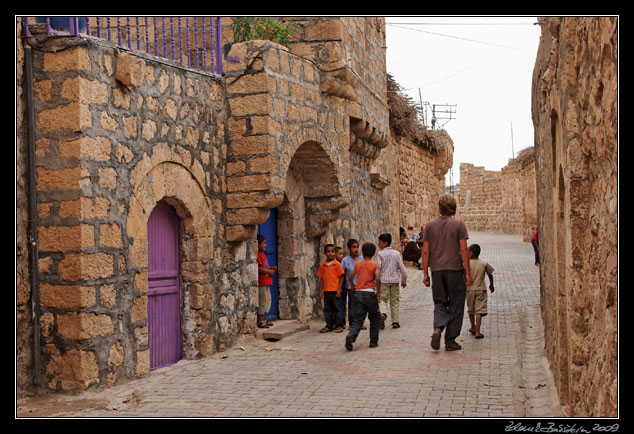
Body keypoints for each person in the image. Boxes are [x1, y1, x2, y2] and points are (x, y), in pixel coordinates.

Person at [421, 195, 472, 351]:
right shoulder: (459, 225)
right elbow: (464, 249)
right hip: (455, 270)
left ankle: (438, 327)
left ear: (440, 208)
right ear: (454, 208)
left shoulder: (429, 226)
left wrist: (425, 274)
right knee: (456, 304)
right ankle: (450, 340)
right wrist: (468, 273)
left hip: (437, 271)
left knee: (440, 302)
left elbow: (425, 250)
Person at [345, 242, 381, 351]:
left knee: (358, 319)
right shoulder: (375, 264)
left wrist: (353, 287)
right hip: (370, 293)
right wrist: (378, 292)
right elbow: (378, 278)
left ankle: (351, 336)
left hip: (358, 293)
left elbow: (350, 277)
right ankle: (373, 341)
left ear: (363, 252)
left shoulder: (358, 264)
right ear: (374, 253)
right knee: (375, 318)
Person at [377, 233, 407, 329]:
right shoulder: (396, 253)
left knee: (382, 299)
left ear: (385, 243)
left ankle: (382, 313)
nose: (379, 244)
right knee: (395, 301)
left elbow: (378, 268)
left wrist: (375, 282)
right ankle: (395, 322)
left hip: (383, 281)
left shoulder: (380, 254)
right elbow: (402, 268)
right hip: (394, 281)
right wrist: (403, 280)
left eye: (380, 242)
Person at [466, 244, 494, 339]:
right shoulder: (484, 263)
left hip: (469, 290)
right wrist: (491, 285)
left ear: (472, 253)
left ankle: (472, 327)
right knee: (479, 311)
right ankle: (478, 332)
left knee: (471, 310)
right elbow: (490, 274)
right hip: (481, 289)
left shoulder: (466, 264)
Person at [316, 244, 345, 333]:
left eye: (332, 251)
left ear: (335, 253)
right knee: (327, 309)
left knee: (338, 309)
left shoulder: (337, 265)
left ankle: (339, 325)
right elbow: (321, 279)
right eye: (328, 251)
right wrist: (321, 290)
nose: (330, 253)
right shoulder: (323, 265)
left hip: (335, 290)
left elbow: (341, 277)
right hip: (327, 291)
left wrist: (339, 289)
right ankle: (329, 325)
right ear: (325, 253)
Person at [257, 235, 277, 328]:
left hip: (266, 281)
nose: (265, 245)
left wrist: (270, 269)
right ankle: (260, 320)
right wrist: (269, 271)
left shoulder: (263, 255)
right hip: (262, 282)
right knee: (263, 300)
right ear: (257, 244)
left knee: (267, 300)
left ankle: (263, 318)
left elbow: (264, 267)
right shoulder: (258, 255)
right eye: (263, 243)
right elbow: (260, 269)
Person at [341, 239, 361, 329]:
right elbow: (342, 273)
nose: (356, 249)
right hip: (351, 287)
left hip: (361, 286)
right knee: (352, 306)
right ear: (349, 248)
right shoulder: (345, 260)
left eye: (357, 247)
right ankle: (352, 324)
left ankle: (359, 323)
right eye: (353, 247)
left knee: (360, 306)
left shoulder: (361, 259)